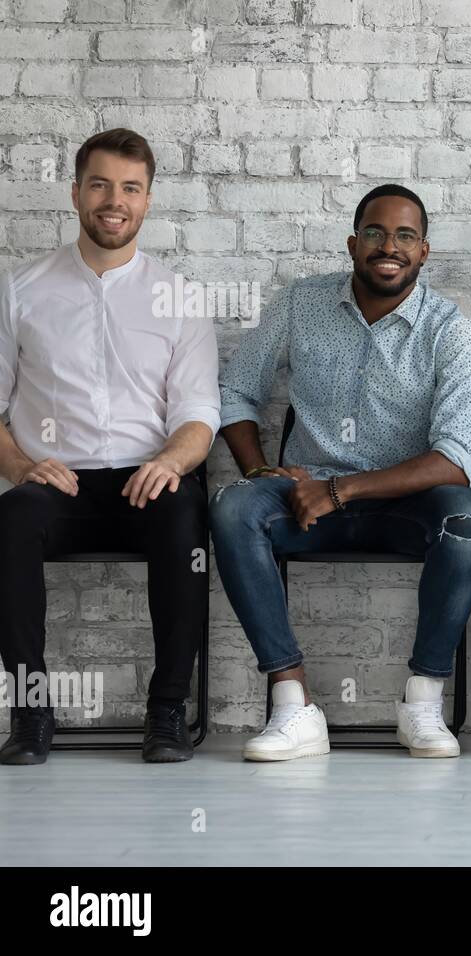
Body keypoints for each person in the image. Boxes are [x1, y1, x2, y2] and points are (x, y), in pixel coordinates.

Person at [210, 184, 471, 761]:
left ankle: (423, 705)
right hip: (305, 496)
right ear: (353, 243)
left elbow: (458, 459)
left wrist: (342, 490)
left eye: (405, 235)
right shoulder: (301, 304)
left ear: (424, 251)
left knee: (466, 522)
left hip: (405, 506)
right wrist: (261, 469)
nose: (390, 246)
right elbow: (235, 392)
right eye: (376, 232)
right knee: (233, 507)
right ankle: (293, 706)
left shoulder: (450, 330)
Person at [0, 128, 219, 765]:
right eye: (99, 184)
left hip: (146, 480)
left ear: (148, 201)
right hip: (55, 481)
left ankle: (167, 712)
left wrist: (170, 462)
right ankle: (31, 714)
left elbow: (199, 414)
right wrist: (20, 466)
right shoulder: (20, 291)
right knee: (8, 522)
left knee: (186, 517)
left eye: (129, 188)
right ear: (75, 194)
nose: (113, 200)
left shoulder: (179, 297)